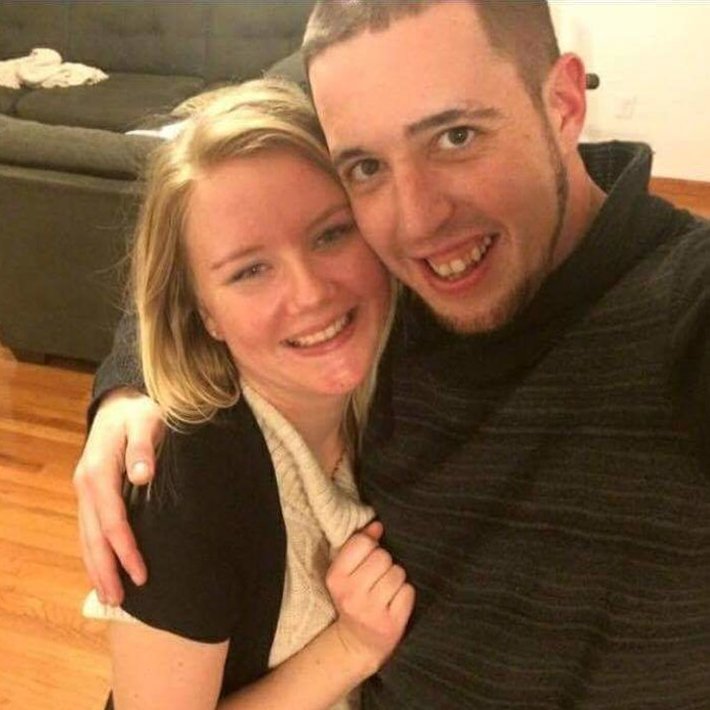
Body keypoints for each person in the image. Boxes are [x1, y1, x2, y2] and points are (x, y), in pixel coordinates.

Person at [75, 1, 710, 707]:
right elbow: (220, 219)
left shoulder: (681, 312)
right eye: (367, 167)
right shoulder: (396, 285)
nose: (415, 223)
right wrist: (129, 388)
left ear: (563, 103)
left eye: (456, 136)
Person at [85, 77, 415, 709]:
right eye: (251, 270)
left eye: (331, 234)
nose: (311, 293)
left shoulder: (408, 359)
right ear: (204, 313)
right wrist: (352, 646)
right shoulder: (185, 475)